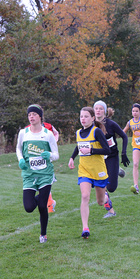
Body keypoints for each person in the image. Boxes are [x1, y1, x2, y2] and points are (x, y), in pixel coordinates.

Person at [16, 104, 59, 243]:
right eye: (29, 115)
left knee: (42, 206)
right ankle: (46, 198)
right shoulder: (23, 133)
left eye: (34, 114)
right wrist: (21, 159)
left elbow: (56, 155)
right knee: (28, 207)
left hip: (45, 174)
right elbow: (18, 149)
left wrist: (49, 155)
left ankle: (43, 234)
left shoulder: (48, 134)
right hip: (29, 174)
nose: (31, 117)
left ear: (40, 116)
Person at [68, 107, 111, 238]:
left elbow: (107, 150)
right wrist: (72, 157)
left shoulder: (96, 131)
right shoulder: (78, 132)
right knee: (85, 196)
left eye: (86, 116)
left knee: (100, 202)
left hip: (98, 171)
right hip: (84, 170)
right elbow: (78, 146)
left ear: (92, 118)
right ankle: (85, 228)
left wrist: (92, 151)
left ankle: (106, 198)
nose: (83, 119)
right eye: (81, 116)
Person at [93, 101, 129, 218]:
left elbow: (124, 136)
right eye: (96, 108)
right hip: (99, 158)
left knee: (111, 188)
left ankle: (116, 170)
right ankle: (111, 211)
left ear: (104, 111)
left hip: (112, 156)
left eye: (100, 109)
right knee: (101, 185)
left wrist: (123, 153)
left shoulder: (111, 124)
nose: (98, 110)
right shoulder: (91, 125)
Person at [26, 118, 60, 213]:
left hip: (46, 161)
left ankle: (50, 203)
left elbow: (56, 133)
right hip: (34, 163)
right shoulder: (27, 129)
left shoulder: (48, 126)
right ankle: (50, 202)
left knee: (45, 183)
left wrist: (53, 143)